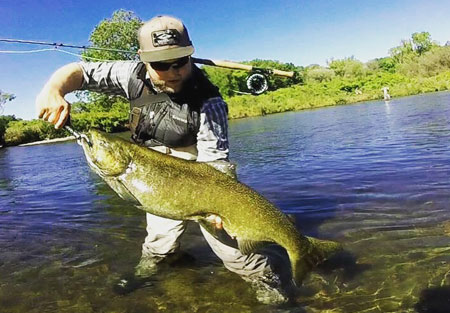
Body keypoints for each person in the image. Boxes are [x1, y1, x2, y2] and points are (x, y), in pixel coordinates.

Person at [36, 15, 293, 304]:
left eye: (180, 61)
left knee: (233, 251)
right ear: (143, 60)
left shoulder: (210, 102)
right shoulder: (128, 74)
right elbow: (78, 71)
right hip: (148, 164)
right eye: (160, 64)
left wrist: (214, 211)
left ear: (190, 54)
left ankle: (271, 287)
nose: (173, 72)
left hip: (198, 166)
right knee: (159, 239)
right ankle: (155, 264)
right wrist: (54, 90)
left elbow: (216, 170)